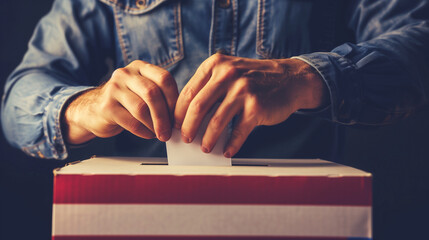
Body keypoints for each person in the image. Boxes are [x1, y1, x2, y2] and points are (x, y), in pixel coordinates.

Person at [1, 0, 428, 161]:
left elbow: (419, 42)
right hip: (144, 219)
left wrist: (305, 76)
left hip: (304, 215)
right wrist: (85, 105)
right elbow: (19, 99)